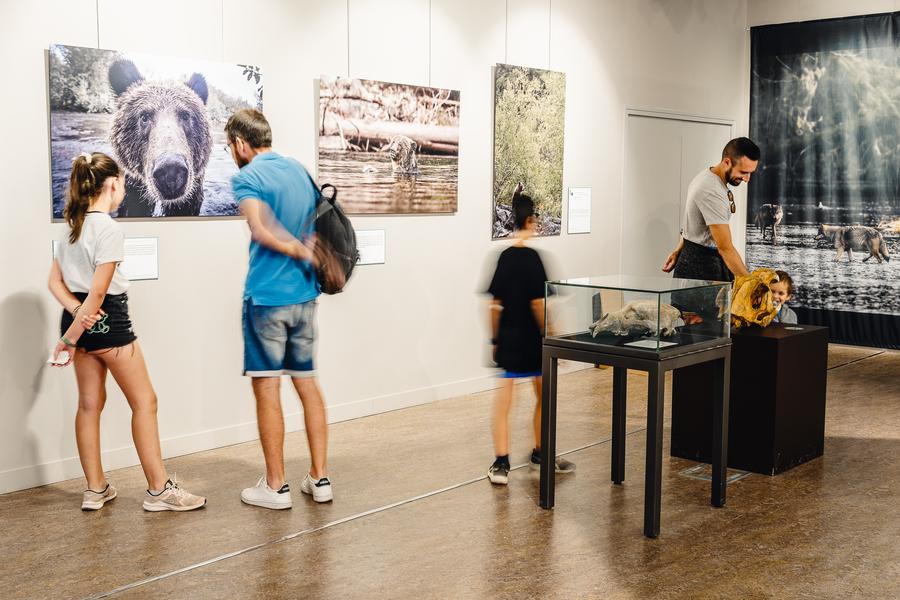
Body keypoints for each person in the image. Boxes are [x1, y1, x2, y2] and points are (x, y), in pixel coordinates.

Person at [48, 151, 206, 512]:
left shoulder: (70, 225)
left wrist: (72, 326)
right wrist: (70, 337)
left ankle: (96, 489)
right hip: (109, 323)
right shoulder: (109, 229)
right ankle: (158, 490)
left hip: (77, 320)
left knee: (89, 405)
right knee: (145, 402)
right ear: (115, 184)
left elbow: (55, 283)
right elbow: (100, 292)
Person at [226, 109, 333, 509]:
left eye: (230, 145)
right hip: (304, 296)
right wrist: (305, 252)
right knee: (307, 384)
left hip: (267, 300)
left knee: (268, 389)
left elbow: (258, 228)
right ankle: (320, 480)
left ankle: (276, 486)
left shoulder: (247, 176)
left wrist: (290, 246)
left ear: (240, 143)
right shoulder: (300, 171)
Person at [485, 188, 574, 485]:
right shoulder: (536, 259)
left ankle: (501, 462)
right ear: (532, 220)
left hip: (509, 340)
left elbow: (493, 305)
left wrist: (494, 340)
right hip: (533, 342)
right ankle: (540, 453)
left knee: (504, 404)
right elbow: (539, 304)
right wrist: (551, 334)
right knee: (543, 398)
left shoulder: (504, 257)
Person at [662, 137, 761, 282]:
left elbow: (693, 224)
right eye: (743, 172)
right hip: (700, 269)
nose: (747, 179)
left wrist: (678, 250)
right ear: (727, 162)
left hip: (698, 260)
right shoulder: (711, 191)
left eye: (750, 173)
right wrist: (752, 285)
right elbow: (725, 249)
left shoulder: (708, 176)